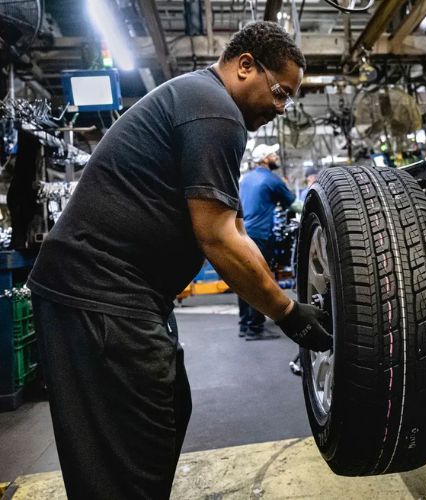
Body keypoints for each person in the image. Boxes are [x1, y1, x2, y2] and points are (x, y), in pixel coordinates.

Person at [26, 21, 331, 499]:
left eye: (288, 100)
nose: (281, 108)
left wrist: (283, 298)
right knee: (128, 454)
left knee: (168, 408)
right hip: (99, 294)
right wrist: (288, 313)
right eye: (279, 92)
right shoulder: (214, 111)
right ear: (245, 66)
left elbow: (235, 229)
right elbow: (218, 240)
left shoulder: (204, 105)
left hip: (120, 294)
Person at [238, 143, 296, 340]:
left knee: (244, 279)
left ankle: (244, 325)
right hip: (261, 236)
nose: (276, 157)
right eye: (273, 154)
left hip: (243, 233)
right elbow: (293, 204)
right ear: (264, 159)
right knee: (260, 279)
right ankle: (255, 328)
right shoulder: (271, 179)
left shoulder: (245, 179)